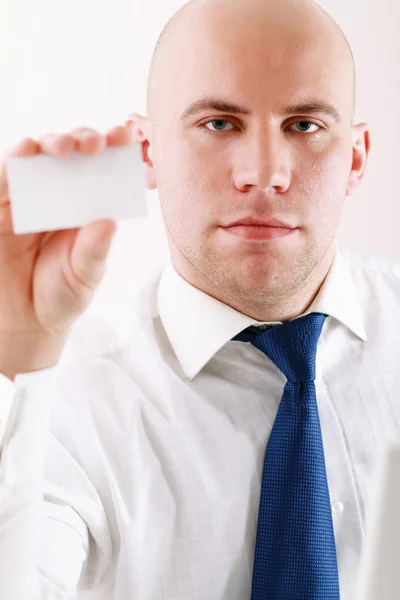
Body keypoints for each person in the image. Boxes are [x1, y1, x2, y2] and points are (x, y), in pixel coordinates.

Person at [0, 0, 398, 597]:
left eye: (304, 125)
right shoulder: (68, 400)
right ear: (146, 151)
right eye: (219, 123)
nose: (264, 174)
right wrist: (13, 356)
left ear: (356, 159)